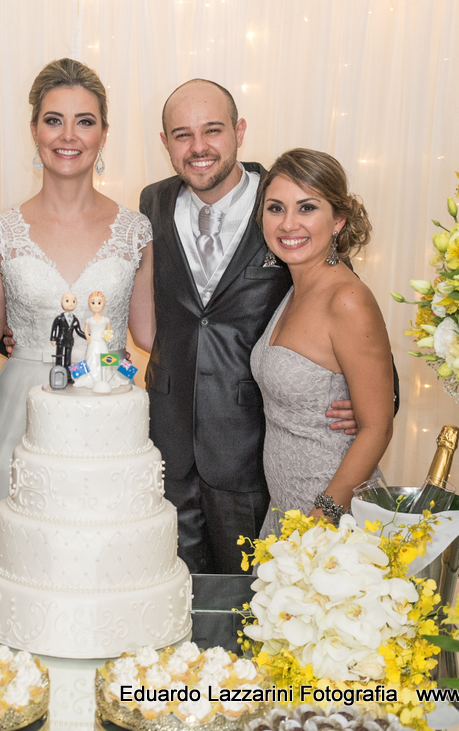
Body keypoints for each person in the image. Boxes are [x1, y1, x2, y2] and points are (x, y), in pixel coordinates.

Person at [140, 80, 360, 575]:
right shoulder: (151, 201)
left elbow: (339, 291)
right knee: (172, 597)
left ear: (239, 131)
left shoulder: (284, 200)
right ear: (165, 143)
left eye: (213, 130)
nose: (198, 147)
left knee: (251, 600)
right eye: (182, 135)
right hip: (167, 445)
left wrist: (374, 403)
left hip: (253, 450)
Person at [0, 58, 154, 571]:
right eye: (53, 119)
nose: (69, 135)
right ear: (35, 130)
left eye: (85, 121)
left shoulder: (137, 231)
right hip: (20, 414)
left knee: (102, 557)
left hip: (109, 409)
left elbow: (154, 331)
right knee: (21, 560)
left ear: (104, 133)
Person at [250, 149, 394, 534]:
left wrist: (323, 516)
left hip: (332, 521)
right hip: (284, 511)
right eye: (276, 208)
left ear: (338, 221)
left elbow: (377, 428)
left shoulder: (347, 299)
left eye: (307, 208)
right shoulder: (293, 288)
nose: (288, 224)